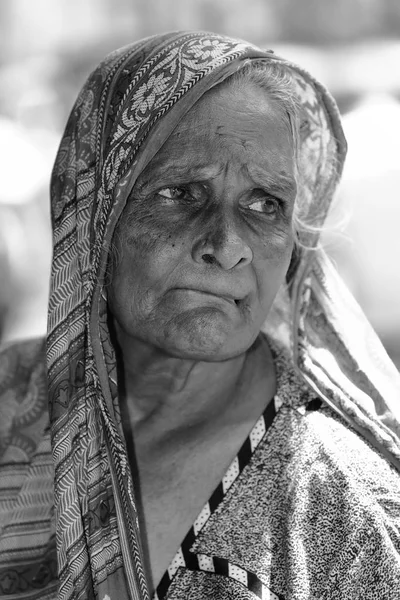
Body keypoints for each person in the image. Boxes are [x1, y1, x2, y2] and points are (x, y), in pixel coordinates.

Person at [0, 31, 400, 600]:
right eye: (181, 192)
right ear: (92, 213)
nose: (228, 244)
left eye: (266, 205)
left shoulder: (344, 510)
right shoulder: (11, 401)